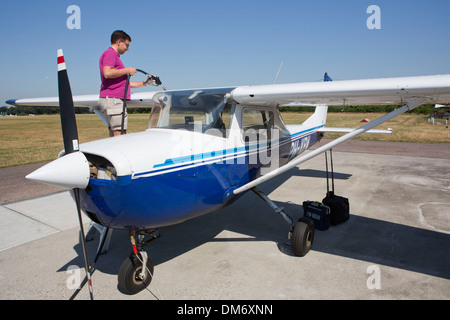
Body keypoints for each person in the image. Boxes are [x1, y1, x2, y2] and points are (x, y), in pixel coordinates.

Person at [97, 30, 151, 137]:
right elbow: (107, 73)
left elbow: (124, 83)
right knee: (119, 135)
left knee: (114, 136)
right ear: (119, 42)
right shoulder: (110, 53)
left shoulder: (112, 55)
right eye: (126, 45)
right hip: (114, 101)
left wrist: (144, 83)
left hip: (111, 100)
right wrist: (128, 70)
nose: (127, 48)